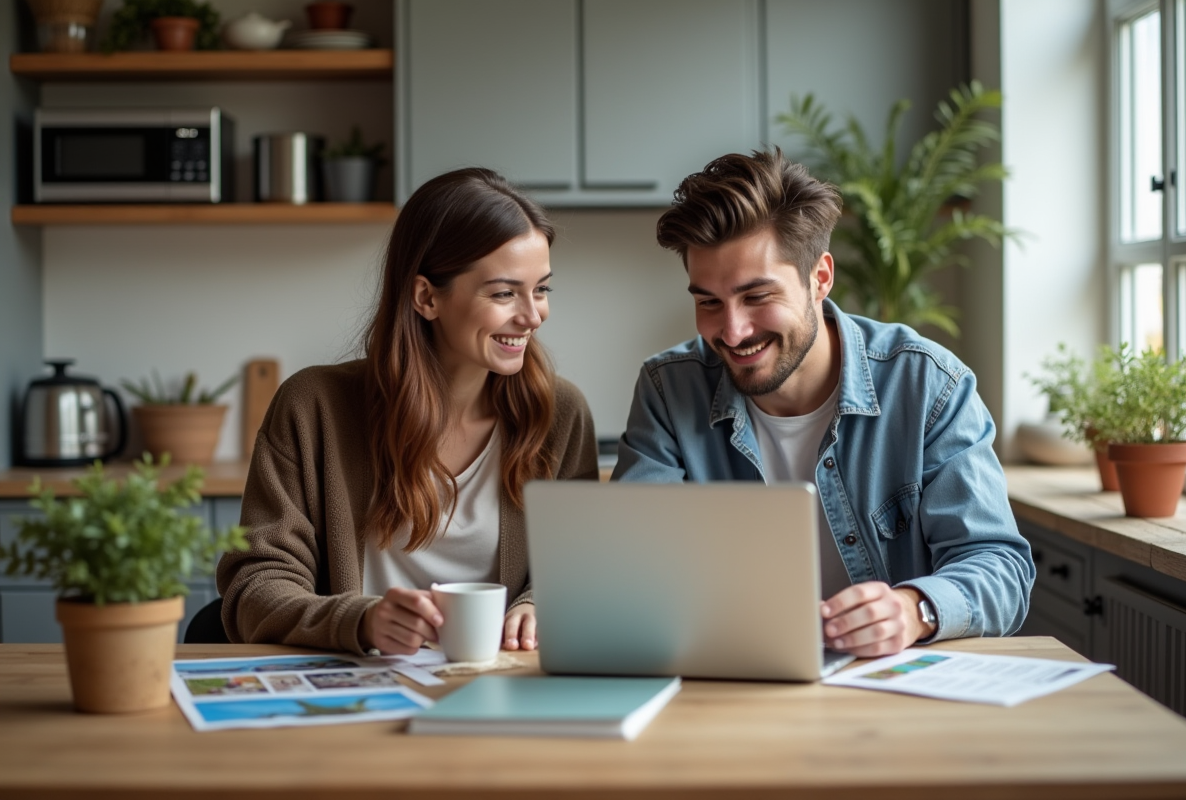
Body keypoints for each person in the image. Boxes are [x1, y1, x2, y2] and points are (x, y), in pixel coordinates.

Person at [612, 148, 1032, 657]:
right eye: (708, 302)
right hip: (730, 675)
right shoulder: (668, 389)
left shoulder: (927, 384)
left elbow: (1000, 568)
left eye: (757, 296)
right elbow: (628, 566)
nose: (733, 331)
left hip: (885, 684)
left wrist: (913, 610)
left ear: (821, 278)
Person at [218, 168, 599, 656]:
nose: (532, 316)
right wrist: (361, 620)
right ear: (426, 297)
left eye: (541, 289)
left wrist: (540, 602)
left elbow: (582, 565)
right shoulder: (313, 407)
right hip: (358, 684)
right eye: (504, 293)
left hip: (501, 683)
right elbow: (254, 585)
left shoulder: (559, 415)